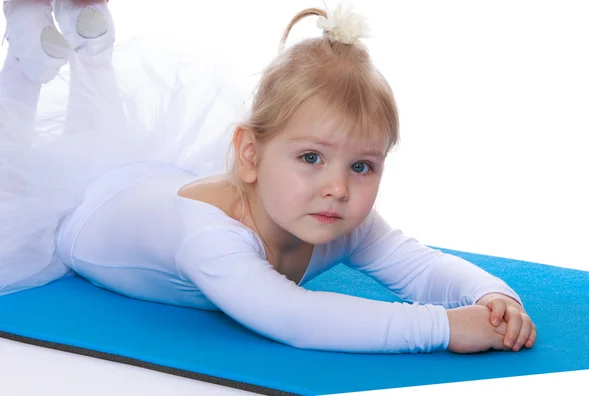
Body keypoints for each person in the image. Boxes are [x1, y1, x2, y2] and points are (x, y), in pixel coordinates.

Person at [0, 0, 536, 354]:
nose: (338, 186)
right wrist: (443, 329)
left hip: (147, 178)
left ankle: (88, 47)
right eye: (311, 158)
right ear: (250, 156)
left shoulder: (342, 216)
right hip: (81, 219)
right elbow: (294, 317)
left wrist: (492, 296)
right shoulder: (210, 240)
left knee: (96, 139)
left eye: (362, 166)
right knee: (17, 173)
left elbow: (419, 267)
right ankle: (29, 56)